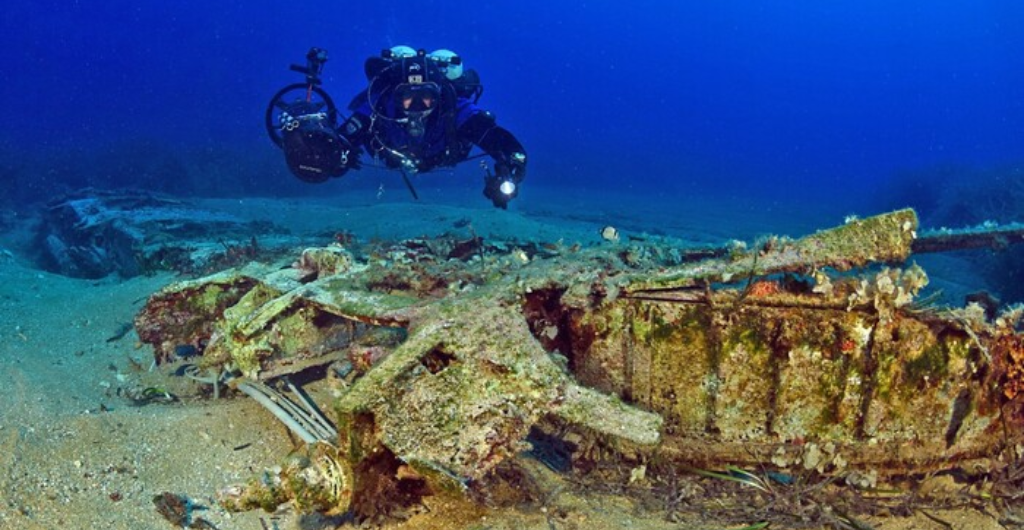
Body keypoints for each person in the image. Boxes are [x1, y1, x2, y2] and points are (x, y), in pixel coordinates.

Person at [270, 46, 527, 209]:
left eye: (426, 95)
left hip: (441, 155)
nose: (417, 105)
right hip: (392, 155)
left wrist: (510, 171)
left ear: (438, 95)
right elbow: (344, 140)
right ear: (395, 94)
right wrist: (316, 144)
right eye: (407, 96)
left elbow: (497, 139)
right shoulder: (378, 105)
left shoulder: (455, 109)